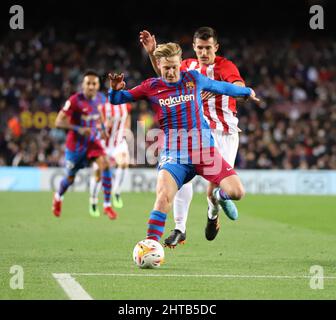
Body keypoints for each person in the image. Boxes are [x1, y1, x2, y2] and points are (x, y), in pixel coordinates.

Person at [107, 43, 259, 245]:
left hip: (205, 152)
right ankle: (150, 245)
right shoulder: (151, 86)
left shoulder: (193, 79)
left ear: (180, 64)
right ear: (159, 65)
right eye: (166, 68)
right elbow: (118, 99)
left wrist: (247, 91)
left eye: (174, 67)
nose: (171, 72)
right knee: (163, 198)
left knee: (237, 192)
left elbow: (223, 87)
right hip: (175, 155)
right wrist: (114, 90)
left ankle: (219, 195)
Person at [140, 27, 247, 247]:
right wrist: (152, 53)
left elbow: (239, 86)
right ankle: (180, 228)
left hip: (224, 131)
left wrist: (217, 89)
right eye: (200, 48)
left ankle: (214, 209)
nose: (204, 52)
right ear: (194, 47)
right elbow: (164, 75)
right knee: (180, 179)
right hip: (195, 132)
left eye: (208, 48)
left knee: (213, 188)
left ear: (216, 47)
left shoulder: (225, 66)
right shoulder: (187, 66)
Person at [52, 70, 118, 220]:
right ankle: (58, 197)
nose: (91, 86)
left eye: (94, 83)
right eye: (88, 83)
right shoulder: (75, 100)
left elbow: (101, 118)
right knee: (70, 179)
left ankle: (107, 205)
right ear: (83, 85)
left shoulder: (101, 99)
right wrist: (78, 129)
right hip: (75, 146)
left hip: (93, 143)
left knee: (105, 164)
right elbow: (58, 122)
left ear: (98, 85)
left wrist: (104, 128)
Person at [89, 100, 132, 216]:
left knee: (123, 162)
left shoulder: (126, 105)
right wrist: (103, 127)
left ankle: (116, 192)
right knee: (98, 175)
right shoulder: (101, 107)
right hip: (103, 144)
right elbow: (95, 125)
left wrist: (126, 130)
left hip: (118, 143)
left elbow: (127, 118)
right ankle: (93, 200)